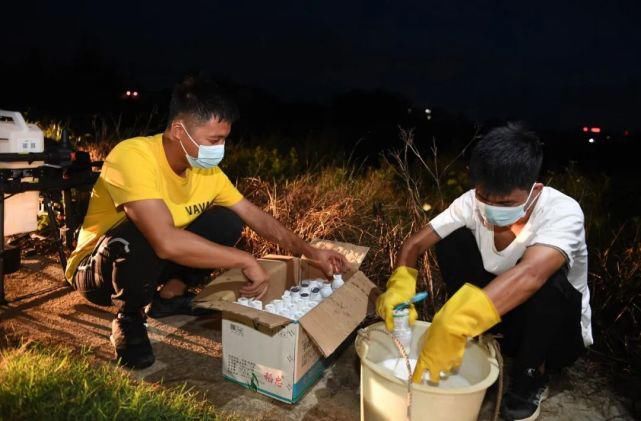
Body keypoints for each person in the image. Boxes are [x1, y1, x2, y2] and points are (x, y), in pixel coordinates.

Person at [65, 77, 347, 370]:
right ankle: (130, 318)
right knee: (144, 232)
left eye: (224, 139)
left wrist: (312, 252)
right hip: (98, 271)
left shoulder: (207, 174)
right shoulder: (133, 156)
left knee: (227, 221)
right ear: (179, 130)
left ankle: (167, 296)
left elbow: (255, 216)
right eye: (214, 140)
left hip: (150, 260)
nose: (221, 148)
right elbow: (165, 241)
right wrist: (246, 260)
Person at [377, 123, 591, 421]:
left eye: (505, 203)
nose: (491, 209)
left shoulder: (562, 212)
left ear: (534, 191)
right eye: (485, 198)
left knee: (550, 278)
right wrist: (399, 288)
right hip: (504, 315)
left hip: (555, 332)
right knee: (453, 239)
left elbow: (531, 275)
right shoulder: (471, 203)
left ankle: (531, 376)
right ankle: (484, 335)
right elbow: (414, 244)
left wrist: (456, 321)